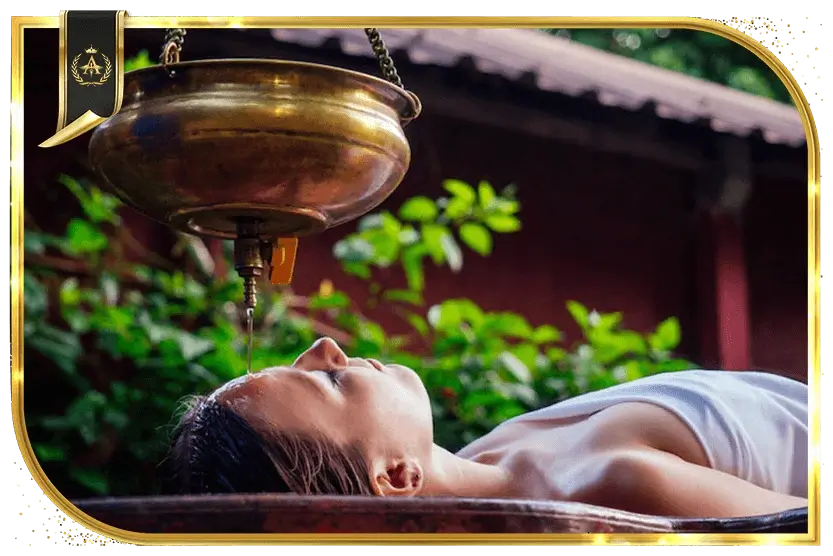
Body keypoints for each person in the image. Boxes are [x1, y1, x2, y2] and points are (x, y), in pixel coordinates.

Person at [163, 337, 809, 519]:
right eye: (326, 381)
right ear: (394, 475)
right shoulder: (616, 487)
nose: (326, 345)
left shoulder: (490, 457)